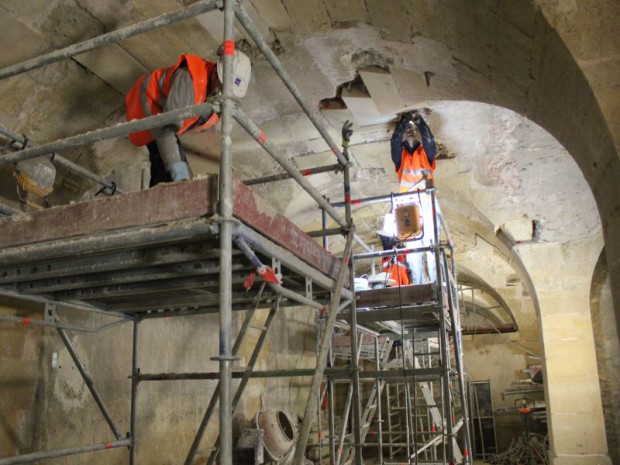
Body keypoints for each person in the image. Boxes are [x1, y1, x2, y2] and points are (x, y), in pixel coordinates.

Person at [125, 47, 251, 186]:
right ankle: (159, 203)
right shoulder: (189, 80)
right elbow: (167, 129)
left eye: (231, 93)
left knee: (178, 162)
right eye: (223, 88)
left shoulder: (219, 98)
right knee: (164, 167)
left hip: (172, 116)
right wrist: (180, 175)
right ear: (216, 73)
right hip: (152, 100)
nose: (225, 95)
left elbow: (200, 127)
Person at [390, 110, 437, 284]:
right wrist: (403, 123)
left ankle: (436, 285)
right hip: (407, 208)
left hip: (426, 204)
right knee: (413, 254)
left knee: (433, 249)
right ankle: (419, 287)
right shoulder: (400, 157)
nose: (410, 133)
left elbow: (430, 140)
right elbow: (394, 144)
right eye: (407, 133)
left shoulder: (426, 154)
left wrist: (418, 121)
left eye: (413, 131)